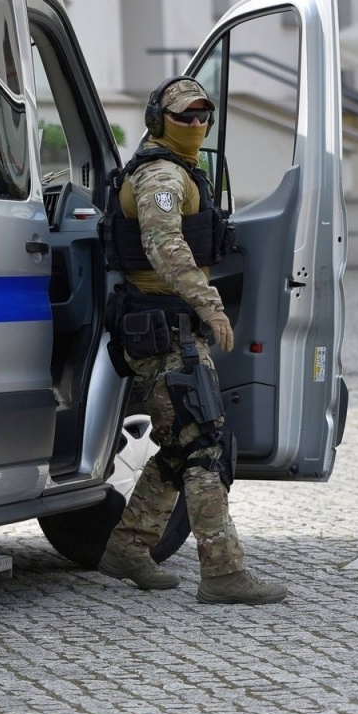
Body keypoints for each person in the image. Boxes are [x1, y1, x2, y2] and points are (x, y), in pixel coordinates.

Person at [96, 76, 286, 605]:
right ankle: (223, 572)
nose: (197, 124)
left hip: (171, 325)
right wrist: (209, 303)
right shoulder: (160, 175)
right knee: (205, 446)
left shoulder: (180, 170)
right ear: (160, 119)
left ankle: (128, 547)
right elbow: (163, 244)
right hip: (164, 328)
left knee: (183, 445)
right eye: (185, 116)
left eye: (204, 115)